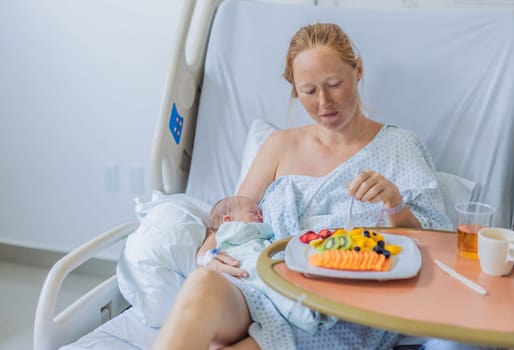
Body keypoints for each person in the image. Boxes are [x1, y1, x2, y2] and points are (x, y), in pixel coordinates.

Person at [153, 23, 453, 350]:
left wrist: (394, 203)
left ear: (359, 70)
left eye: (334, 84)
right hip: (261, 282)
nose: (324, 102)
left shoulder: (399, 146)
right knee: (202, 286)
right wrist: (207, 254)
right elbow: (234, 215)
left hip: (336, 304)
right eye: (309, 91)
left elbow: (436, 244)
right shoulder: (278, 146)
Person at [203, 196, 337, 337]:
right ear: (228, 220)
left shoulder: (239, 233)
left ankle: (314, 311)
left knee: (280, 285)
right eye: (253, 213)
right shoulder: (230, 230)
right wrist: (271, 227)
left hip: (255, 264)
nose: (261, 216)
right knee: (275, 287)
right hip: (248, 266)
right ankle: (306, 316)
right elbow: (212, 253)